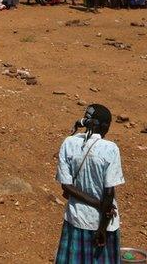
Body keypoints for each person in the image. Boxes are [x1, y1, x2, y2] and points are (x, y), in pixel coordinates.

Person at [54, 104, 124, 263]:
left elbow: (66, 186)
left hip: (76, 219)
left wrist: (97, 203)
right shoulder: (110, 149)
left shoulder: (69, 143)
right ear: (105, 126)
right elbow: (109, 192)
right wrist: (102, 229)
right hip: (101, 223)